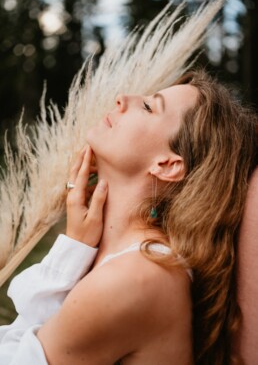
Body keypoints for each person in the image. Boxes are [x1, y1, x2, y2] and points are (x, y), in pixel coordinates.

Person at [0, 69, 257, 364]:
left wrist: (68, 252)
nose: (122, 99)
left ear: (168, 165)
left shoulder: (136, 279)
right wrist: (76, 244)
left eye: (148, 106)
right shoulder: (121, 256)